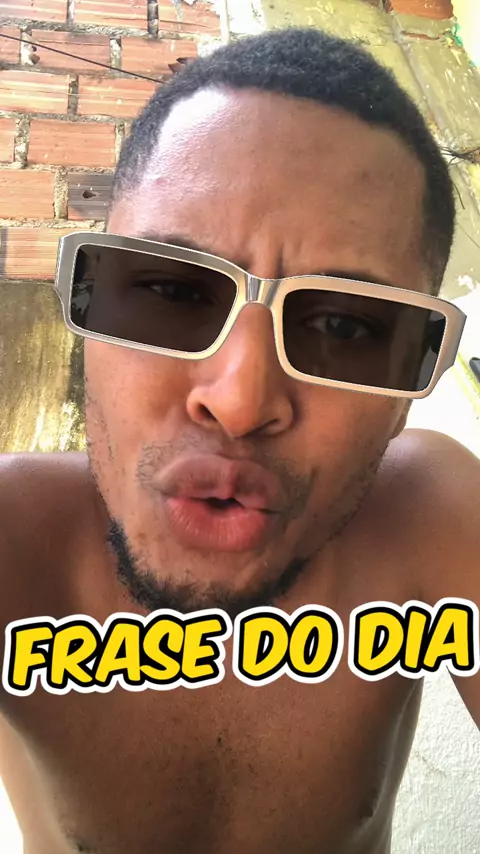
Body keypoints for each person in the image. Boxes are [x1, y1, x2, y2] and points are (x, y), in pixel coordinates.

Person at [0, 26, 478, 854]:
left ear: (409, 395)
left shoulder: (433, 522)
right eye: (172, 290)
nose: (240, 401)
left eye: (343, 326)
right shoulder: (16, 544)